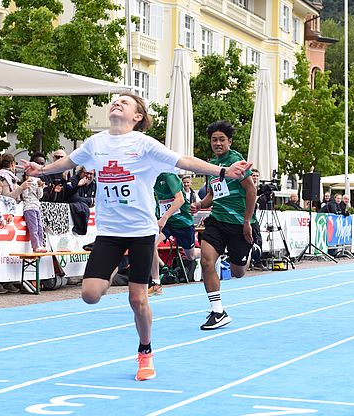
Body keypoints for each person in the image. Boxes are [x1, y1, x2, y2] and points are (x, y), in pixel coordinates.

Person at [20, 93, 251, 381]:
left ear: (137, 116)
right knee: (90, 295)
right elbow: (68, 161)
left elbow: (184, 160)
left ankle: (145, 352)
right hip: (109, 233)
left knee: (137, 299)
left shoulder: (144, 145)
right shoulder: (97, 143)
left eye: (124, 102)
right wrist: (41, 170)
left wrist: (222, 171)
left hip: (141, 233)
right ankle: (111, 269)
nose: (116, 103)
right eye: (114, 101)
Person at [193, 120, 256, 330]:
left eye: (221, 139)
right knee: (206, 261)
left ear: (229, 141)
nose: (217, 143)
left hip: (239, 224)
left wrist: (247, 221)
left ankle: (248, 253)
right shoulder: (212, 165)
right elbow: (213, 193)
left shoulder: (237, 161)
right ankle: (218, 311)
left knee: (238, 272)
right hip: (217, 220)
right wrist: (201, 204)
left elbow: (251, 191)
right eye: (214, 140)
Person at [149, 171, 200, 296]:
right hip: (166, 223)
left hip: (182, 222)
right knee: (150, 245)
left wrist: (164, 217)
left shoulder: (169, 176)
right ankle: (156, 283)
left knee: (190, 255)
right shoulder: (150, 176)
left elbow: (180, 200)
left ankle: (211, 254)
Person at [20, 174, 46, 253]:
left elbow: (39, 196)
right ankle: (36, 247)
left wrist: (40, 187)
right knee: (33, 229)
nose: (31, 177)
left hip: (37, 207)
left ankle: (40, 245)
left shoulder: (36, 182)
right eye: (28, 175)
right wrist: (26, 186)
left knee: (40, 228)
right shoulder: (24, 184)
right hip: (29, 208)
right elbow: (24, 196)